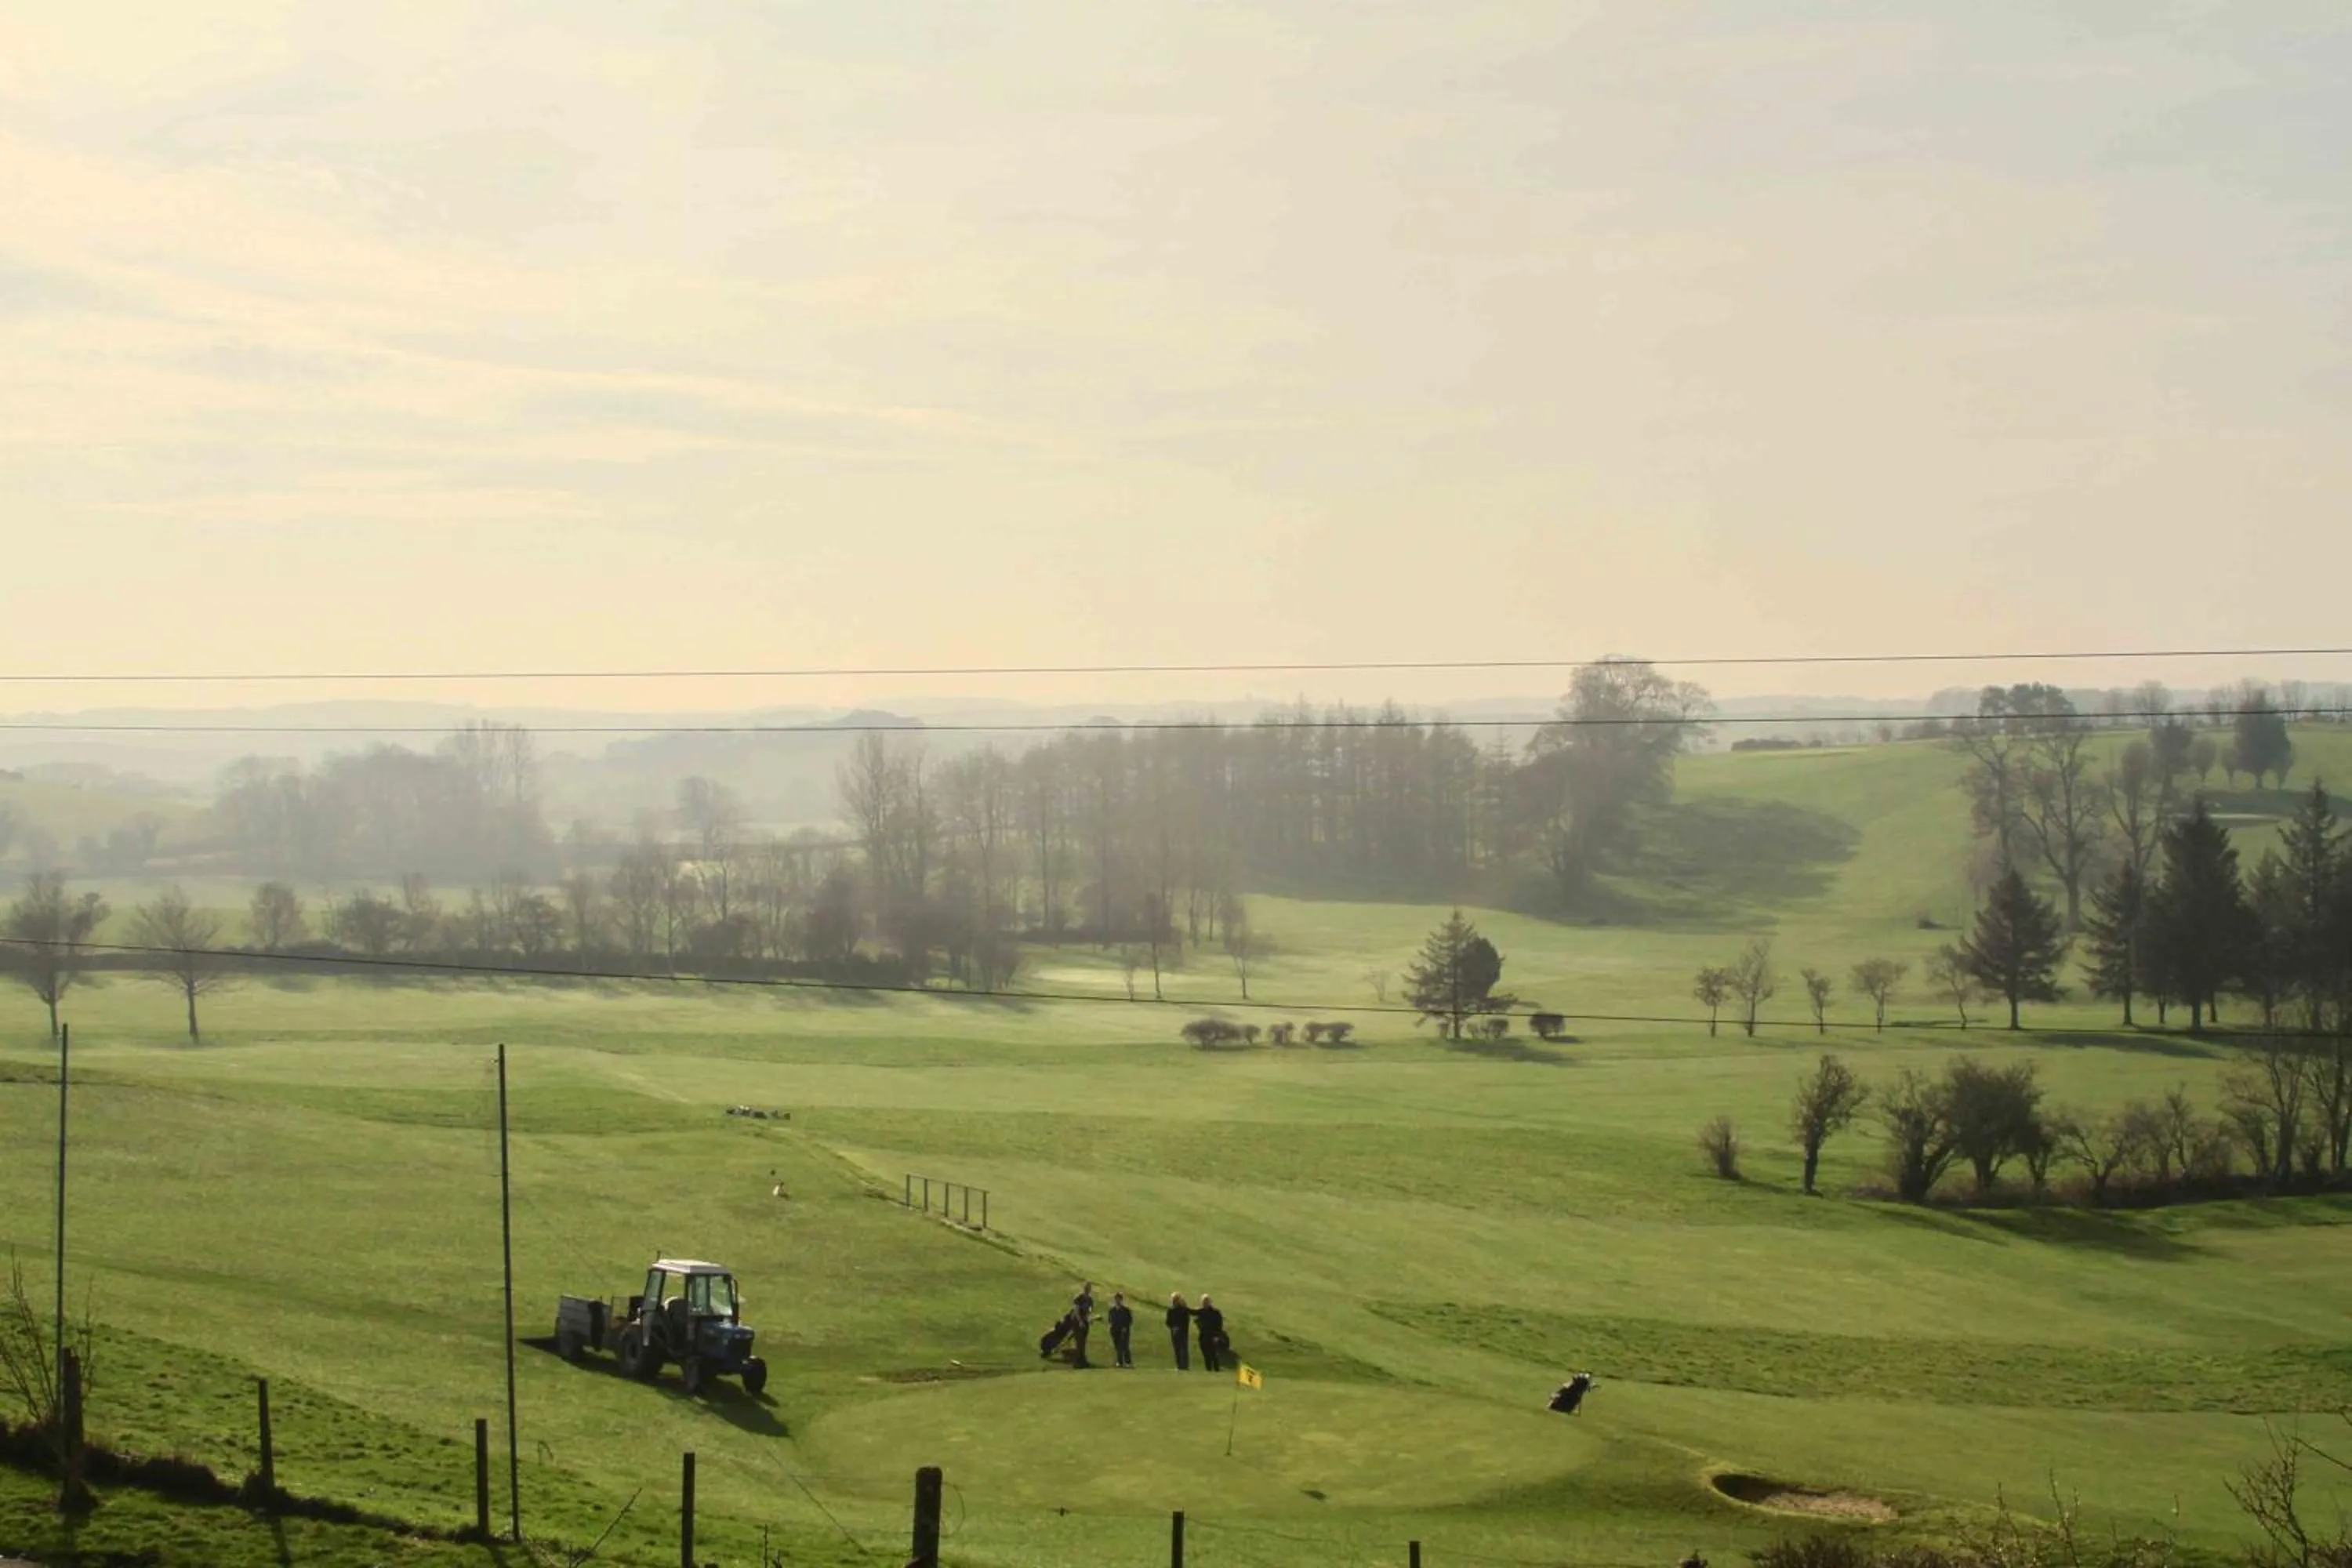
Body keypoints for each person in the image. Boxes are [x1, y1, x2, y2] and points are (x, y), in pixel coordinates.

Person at [1194, 1294, 1226, 1374]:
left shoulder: (1215, 1313)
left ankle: (1216, 1371)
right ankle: (1209, 1371)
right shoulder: (1200, 1312)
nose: (1205, 1304)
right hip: (1203, 1336)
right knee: (1206, 1355)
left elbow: (1219, 1325)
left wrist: (1217, 1336)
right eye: (1204, 1302)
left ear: (1210, 1302)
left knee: (1214, 1355)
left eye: (1206, 1302)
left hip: (1213, 1336)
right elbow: (1194, 1317)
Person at [1069, 1282, 1096, 1369]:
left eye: (1089, 1288)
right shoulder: (1079, 1298)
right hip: (1077, 1322)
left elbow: (1089, 1311)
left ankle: (1083, 1361)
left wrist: (1089, 1319)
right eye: (1086, 1288)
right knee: (1079, 1341)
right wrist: (1080, 1321)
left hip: (1084, 1322)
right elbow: (1076, 1311)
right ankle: (1077, 1362)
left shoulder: (1090, 1299)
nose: (1088, 1290)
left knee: (1083, 1342)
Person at [1165, 1293, 1193, 1370]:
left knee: (1184, 1349)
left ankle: (1185, 1366)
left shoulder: (1184, 1310)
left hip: (1183, 1332)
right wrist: (1173, 1327)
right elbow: (1168, 1322)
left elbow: (1187, 1319)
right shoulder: (1171, 1310)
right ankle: (1179, 1366)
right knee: (1177, 1349)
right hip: (1174, 1333)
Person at [1108, 1292, 1134, 1368]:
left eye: (1119, 1299)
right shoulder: (1112, 1310)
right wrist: (1111, 1328)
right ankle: (1119, 1362)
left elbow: (1130, 1320)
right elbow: (1110, 1320)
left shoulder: (1126, 1310)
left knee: (1125, 1346)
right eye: (1116, 1299)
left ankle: (1128, 1362)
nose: (1117, 1301)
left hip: (1124, 1331)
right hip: (1115, 1331)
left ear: (1121, 1300)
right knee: (1117, 1347)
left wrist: (1125, 1327)